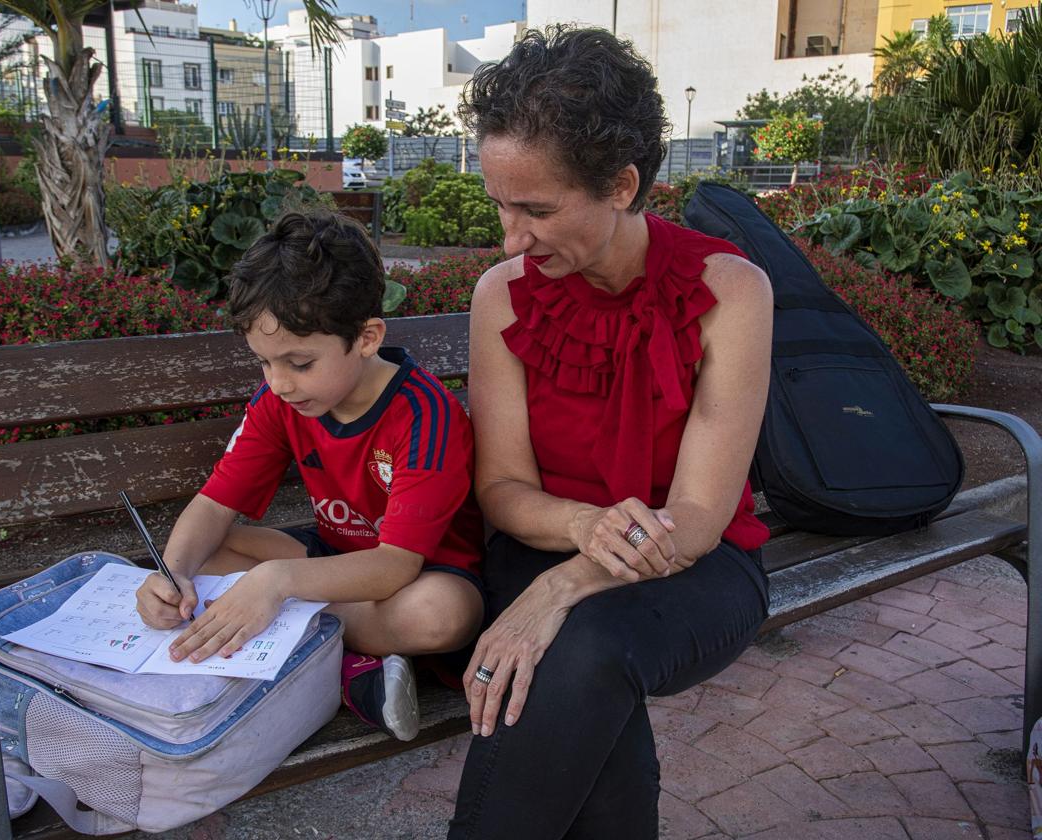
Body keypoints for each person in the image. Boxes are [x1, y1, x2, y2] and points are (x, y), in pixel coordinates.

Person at [447, 26, 773, 839]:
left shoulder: (731, 291)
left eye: (537, 209)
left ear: (623, 184)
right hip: (541, 541)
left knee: (574, 645)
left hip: (694, 563)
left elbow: (697, 516)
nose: (510, 238)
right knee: (575, 671)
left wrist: (562, 587)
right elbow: (504, 490)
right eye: (499, 204)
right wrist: (580, 529)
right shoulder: (503, 295)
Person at [136, 210, 485, 741]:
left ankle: (324, 658)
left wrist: (275, 584)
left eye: (300, 364)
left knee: (441, 614)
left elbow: (394, 566)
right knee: (208, 552)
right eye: (264, 363)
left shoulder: (424, 416)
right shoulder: (279, 401)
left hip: (417, 579)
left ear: (367, 337)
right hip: (330, 568)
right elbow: (214, 504)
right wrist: (172, 571)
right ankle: (350, 667)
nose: (279, 384)